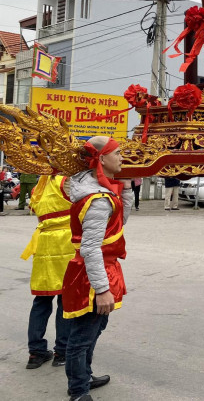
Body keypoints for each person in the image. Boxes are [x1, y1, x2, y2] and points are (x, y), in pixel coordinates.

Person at [62, 136, 133, 401]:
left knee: (95, 327)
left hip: (102, 269)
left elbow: (117, 224)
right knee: (82, 335)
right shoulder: (97, 198)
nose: (122, 158)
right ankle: (78, 391)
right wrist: (102, 289)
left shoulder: (102, 192)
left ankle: (84, 376)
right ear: (102, 159)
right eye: (118, 153)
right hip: (92, 275)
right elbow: (91, 248)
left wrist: (125, 190)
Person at [20, 175, 75, 369]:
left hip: (44, 243)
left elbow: (34, 209)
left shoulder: (40, 185)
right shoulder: (68, 181)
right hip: (65, 242)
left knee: (41, 300)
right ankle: (62, 351)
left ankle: (35, 353)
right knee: (64, 299)